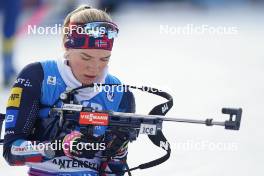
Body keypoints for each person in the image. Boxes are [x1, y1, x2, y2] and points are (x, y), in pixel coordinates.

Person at [3, 5, 135, 176]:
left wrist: (118, 152)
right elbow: (12, 151)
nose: (95, 68)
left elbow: (114, 171)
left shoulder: (119, 93)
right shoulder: (37, 76)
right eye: (85, 57)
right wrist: (61, 146)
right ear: (67, 47)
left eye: (104, 59)